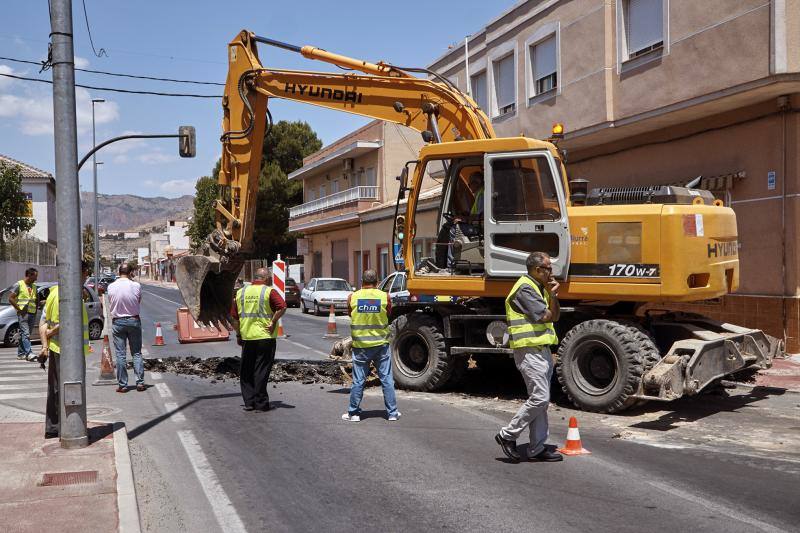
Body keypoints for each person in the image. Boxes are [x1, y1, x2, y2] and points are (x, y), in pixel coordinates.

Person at [495, 252, 562, 463]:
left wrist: (553, 295)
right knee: (540, 398)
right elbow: (546, 316)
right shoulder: (525, 288)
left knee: (542, 401)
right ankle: (507, 435)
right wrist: (552, 296)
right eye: (548, 268)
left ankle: (537, 447)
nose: (551, 272)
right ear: (536, 270)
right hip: (529, 351)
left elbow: (555, 315)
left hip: (540, 350)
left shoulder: (539, 288)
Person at [39, 262, 90, 439]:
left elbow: (43, 322)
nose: (86, 277)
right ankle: (70, 428)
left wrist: (45, 345)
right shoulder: (71, 294)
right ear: (80, 273)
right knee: (71, 390)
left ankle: (53, 427)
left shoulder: (53, 293)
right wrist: (52, 332)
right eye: (86, 273)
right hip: (69, 351)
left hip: (55, 348)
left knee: (54, 389)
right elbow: (68, 319)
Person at [342, 269, 400, 422]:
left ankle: (353, 413)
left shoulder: (352, 297)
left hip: (361, 345)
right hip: (381, 345)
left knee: (358, 380)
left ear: (362, 281)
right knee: (386, 379)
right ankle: (392, 413)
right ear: (377, 281)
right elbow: (388, 314)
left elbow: (350, 314)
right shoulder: (385, 296)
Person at [231, 268, 286, 411]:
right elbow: (282, 307)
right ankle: (261, 403)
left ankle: (249, 402)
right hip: (265, 337)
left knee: (247, 370)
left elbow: (234, 318)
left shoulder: (241, 292)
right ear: (266, 278)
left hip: (247, 337)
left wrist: (238, 334)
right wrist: (273, 321)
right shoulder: (269, 291)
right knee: (261, 370)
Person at [107, 264, 144, 393]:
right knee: (137, 353)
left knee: (120, 355)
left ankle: (123, 385)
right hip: (134, 320)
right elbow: (138, 301)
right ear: (130, 273)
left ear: (119, 272)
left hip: (118, 322)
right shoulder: (136, 286)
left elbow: (110, 301)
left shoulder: (111, 286)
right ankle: (140, 383)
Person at [9, 268, 39, 361]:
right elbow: (10, 298)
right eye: (35, 276)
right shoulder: (19, 285)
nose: (36, 278)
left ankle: (21, 353)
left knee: (26, 334)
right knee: (26, 334)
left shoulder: (34, 286)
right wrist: (19, 309)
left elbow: (36, 299)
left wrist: (37, 307)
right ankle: (29, 353)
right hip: (23, 314)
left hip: (32, 313)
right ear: (29, 275)